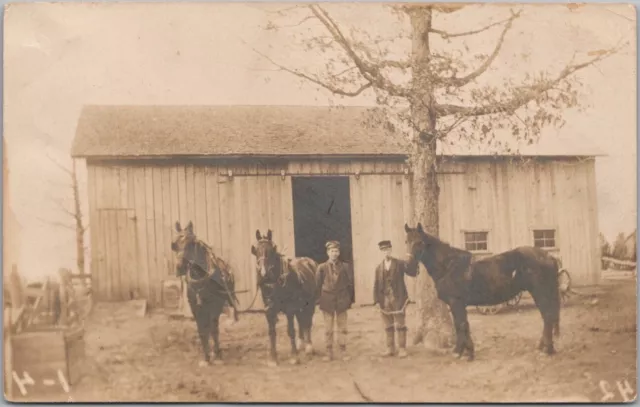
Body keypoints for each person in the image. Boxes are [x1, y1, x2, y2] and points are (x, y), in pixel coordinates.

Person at [373, 240, 419, 358]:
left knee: (400, 324)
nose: (385, 252)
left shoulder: (399, 263)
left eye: (387, 249)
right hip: (385, 300)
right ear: (380, 252)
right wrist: (376, 301)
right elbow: (376, 285)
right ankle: (390, 348)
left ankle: (402, 348)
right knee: (388, 325)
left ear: (391, 250)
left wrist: (412, 259)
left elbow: (413, 272)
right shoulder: (378, 268)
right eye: (383, 250)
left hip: (398, 298)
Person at [316, 240, 355, 362]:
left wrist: (349, 300)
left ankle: (343, 351)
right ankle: (329, 352)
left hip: (342, 300)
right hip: (327, 301)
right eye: (332, 251)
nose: (334, 253)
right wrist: (319, 301)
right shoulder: (321, 267)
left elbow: (350, 284)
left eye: (336, 251)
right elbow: (318, 285)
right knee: (328, 329)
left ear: (339, 253)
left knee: (342, 327)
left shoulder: (345, 266)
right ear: (328, 253)